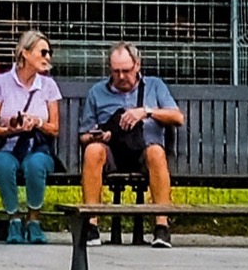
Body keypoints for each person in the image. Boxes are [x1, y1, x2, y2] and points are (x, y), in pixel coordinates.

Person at [77, 41, 184, 243]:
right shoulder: (97, 92)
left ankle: (162, 226)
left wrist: (146, 111)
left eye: (126, 71)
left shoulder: (155, 86)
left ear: (137, 65)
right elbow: (83, 135)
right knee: (92, 150)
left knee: (156, 153)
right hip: (112, 152)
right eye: (116, 71)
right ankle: (90, 224)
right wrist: (98, 136)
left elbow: (178, 118)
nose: (121, 77)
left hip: (144, 150)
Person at [0, 27, 63, 242]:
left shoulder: (48, 85)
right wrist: (10, 130)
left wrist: (37, 122)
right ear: (25, 54)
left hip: (38, 148)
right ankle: (14, 220)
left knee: (35, 165)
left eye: (49, 53)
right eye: (42, 52)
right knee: (2, 164)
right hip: (7, 146)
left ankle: (34, 221)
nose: (47, 57)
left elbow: (54, 128)